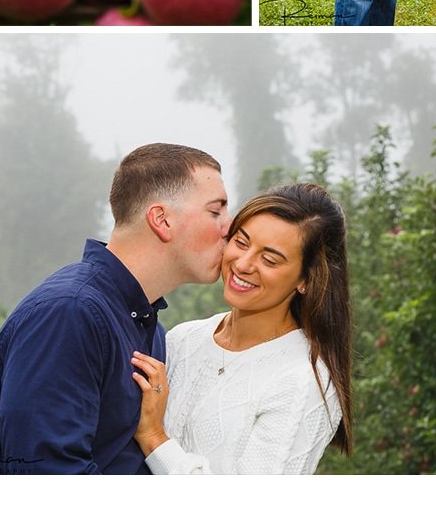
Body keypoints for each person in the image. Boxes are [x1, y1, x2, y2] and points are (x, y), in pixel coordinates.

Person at [0, 143, 231, 473]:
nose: (230, 226)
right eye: (216, 211)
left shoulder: (146, 326)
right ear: (162, 220)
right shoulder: (69, 313)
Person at [130, 183, 352, 474]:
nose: (244, 264)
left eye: (269, 259)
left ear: (306, 280)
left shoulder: (303, 381)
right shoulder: (183, 339)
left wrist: (154, 439)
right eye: (242, 242)